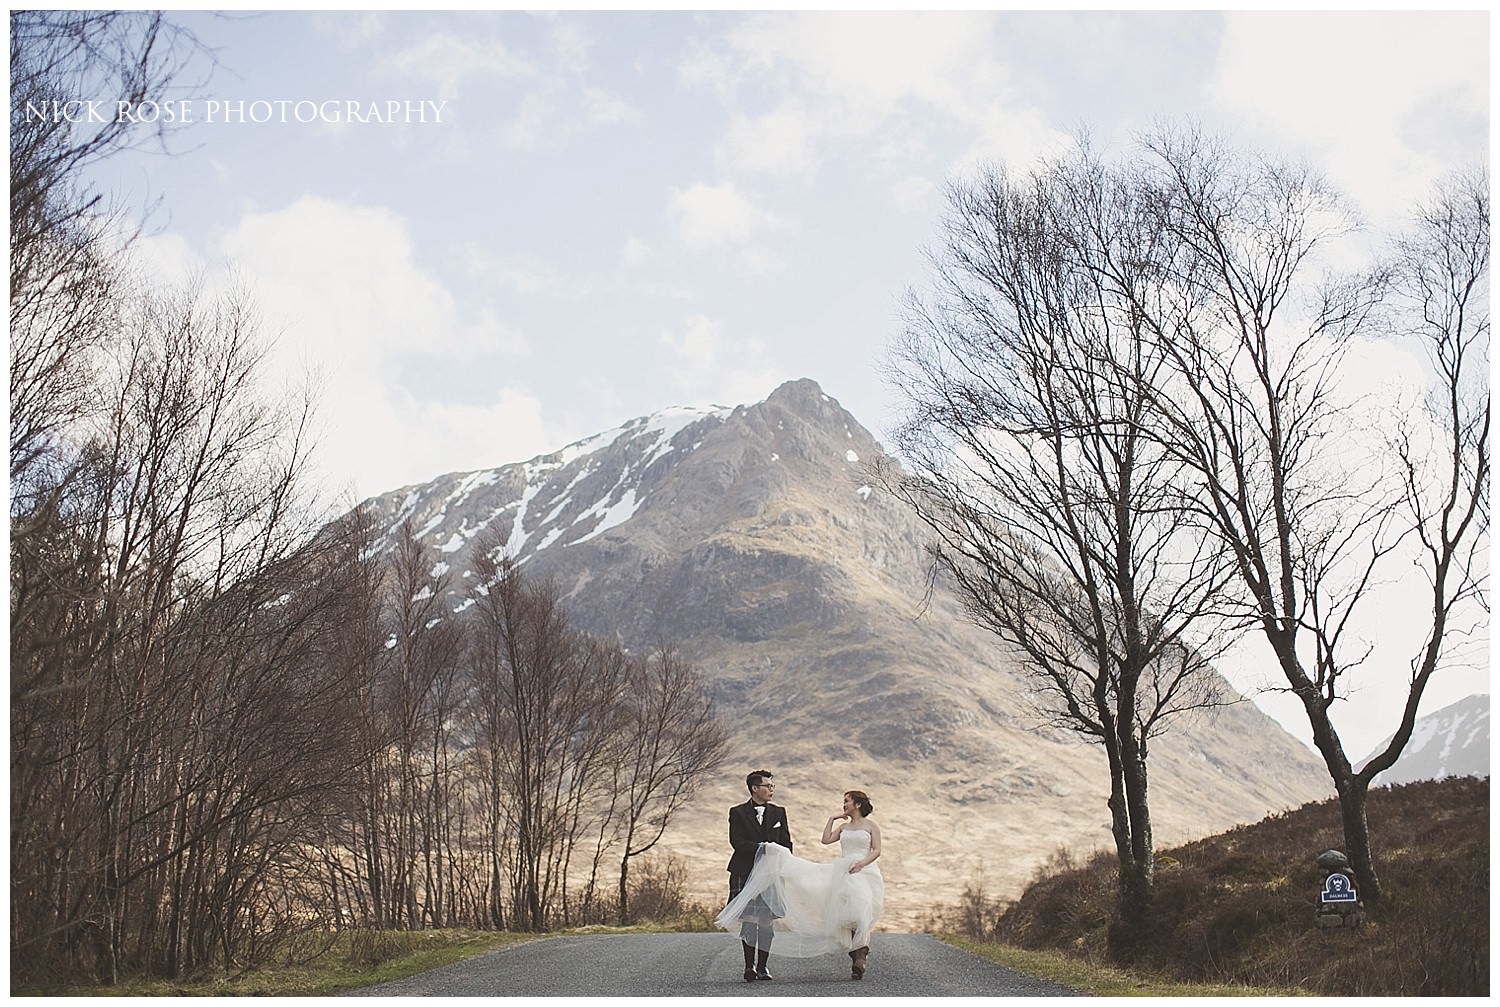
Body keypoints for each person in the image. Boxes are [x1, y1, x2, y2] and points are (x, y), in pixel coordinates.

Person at [716, 788, 884, 981]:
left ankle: (860, 955)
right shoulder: (844, 828)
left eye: (847, 801)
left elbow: (877, 850)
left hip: (864, 871)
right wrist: (832, 818)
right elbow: (826, 839)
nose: (843, 804)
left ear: (858, 804)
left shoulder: (871, 825)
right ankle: (855, 954)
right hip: (841, 870)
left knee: (860, 911)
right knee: (843, 914)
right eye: (843, 801)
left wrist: (862, 864)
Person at [726, 770, 793, 981]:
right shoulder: (736, 812)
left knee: (766, 921)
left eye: (773, 786)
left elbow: (787, 842)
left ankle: (763, 967)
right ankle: (749, 967)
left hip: (771, 873)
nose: (771, 790)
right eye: (768, 786)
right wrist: (763, 848)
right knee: (749, 920)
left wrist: (781, 856)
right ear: (755, 788)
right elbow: (737, 842)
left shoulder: (779, 812)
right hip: (745, 871)